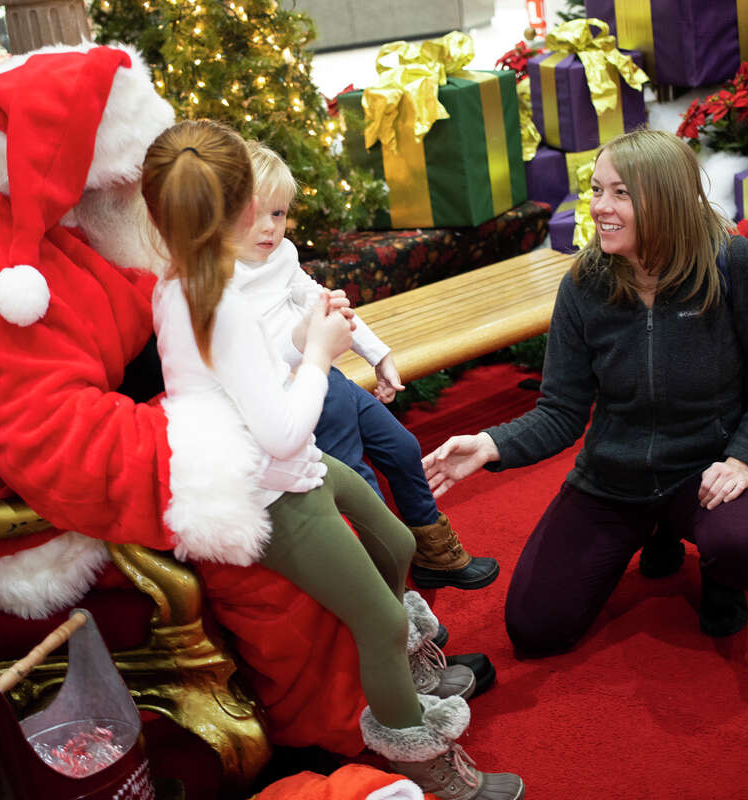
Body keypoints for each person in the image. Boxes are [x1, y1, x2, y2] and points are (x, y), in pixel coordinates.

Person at [0, 44, 413, 759]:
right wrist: (213, 448)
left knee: (321, 489)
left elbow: (144, 306)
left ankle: (386, 686)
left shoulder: (71, 216)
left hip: (148, 420)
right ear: (96, 175)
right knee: (272, 560)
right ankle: (337, 738)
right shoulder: (2, 285)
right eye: (137, 179)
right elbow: (52, 442)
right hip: (41, 499)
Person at [141, 118, 523, 800]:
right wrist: (318, 354)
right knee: (378, 617)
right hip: (273, 487)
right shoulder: (215, 301)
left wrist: (299, 341)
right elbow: (284, 429)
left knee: (399, 539)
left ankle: (410, 677)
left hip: (284, 465)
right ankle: (427, 764)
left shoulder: (183, 280)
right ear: (234, 203)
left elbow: (243, 378)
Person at [422, 129, 748, 654]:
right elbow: (561, 410)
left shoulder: (732, 264)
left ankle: (719, 573)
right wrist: (490, 445)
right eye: (597, 189)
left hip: (706, 471)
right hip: (613, 479)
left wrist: (744, 459)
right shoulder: (585, 283)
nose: (600, 207)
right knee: (536, 630)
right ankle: (654, 532)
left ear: (666, 200)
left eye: (620, 193)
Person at [232, 141, 499, 592]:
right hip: (299, 400)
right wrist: (304, 341)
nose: (269, 228)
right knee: (361, 486)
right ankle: (391, 589)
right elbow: (252, 364)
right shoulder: (221, 281)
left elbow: (327, 304)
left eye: (278, 215)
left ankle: (435, 551)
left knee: (401, 446)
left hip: (331, 381)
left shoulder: (281, 256)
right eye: (255, 214)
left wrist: (378, 354)